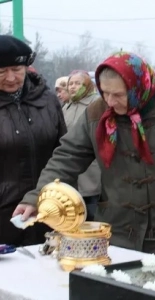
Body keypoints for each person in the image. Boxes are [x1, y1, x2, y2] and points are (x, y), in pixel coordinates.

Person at [13, 52, 155, 255]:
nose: (110, 101)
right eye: (105, 93)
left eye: (118, 95)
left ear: (139, 87)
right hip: (116, 232)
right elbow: (67, 157)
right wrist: (37, 197)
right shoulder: (96, 114)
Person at [0, 35, 67, 246]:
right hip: (4, 212)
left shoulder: (47, 100)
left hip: (49, 209)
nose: (11, 78)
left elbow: (64, 151)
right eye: (2, 71)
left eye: (17, 70)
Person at [64, 70, 101, 221]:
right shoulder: (66, 107)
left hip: (91, 166)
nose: (73, 87)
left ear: (87, 85)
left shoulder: (96, 104)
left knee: (90, 208)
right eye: (70, 83)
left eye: (78, 83)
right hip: (69, 162)